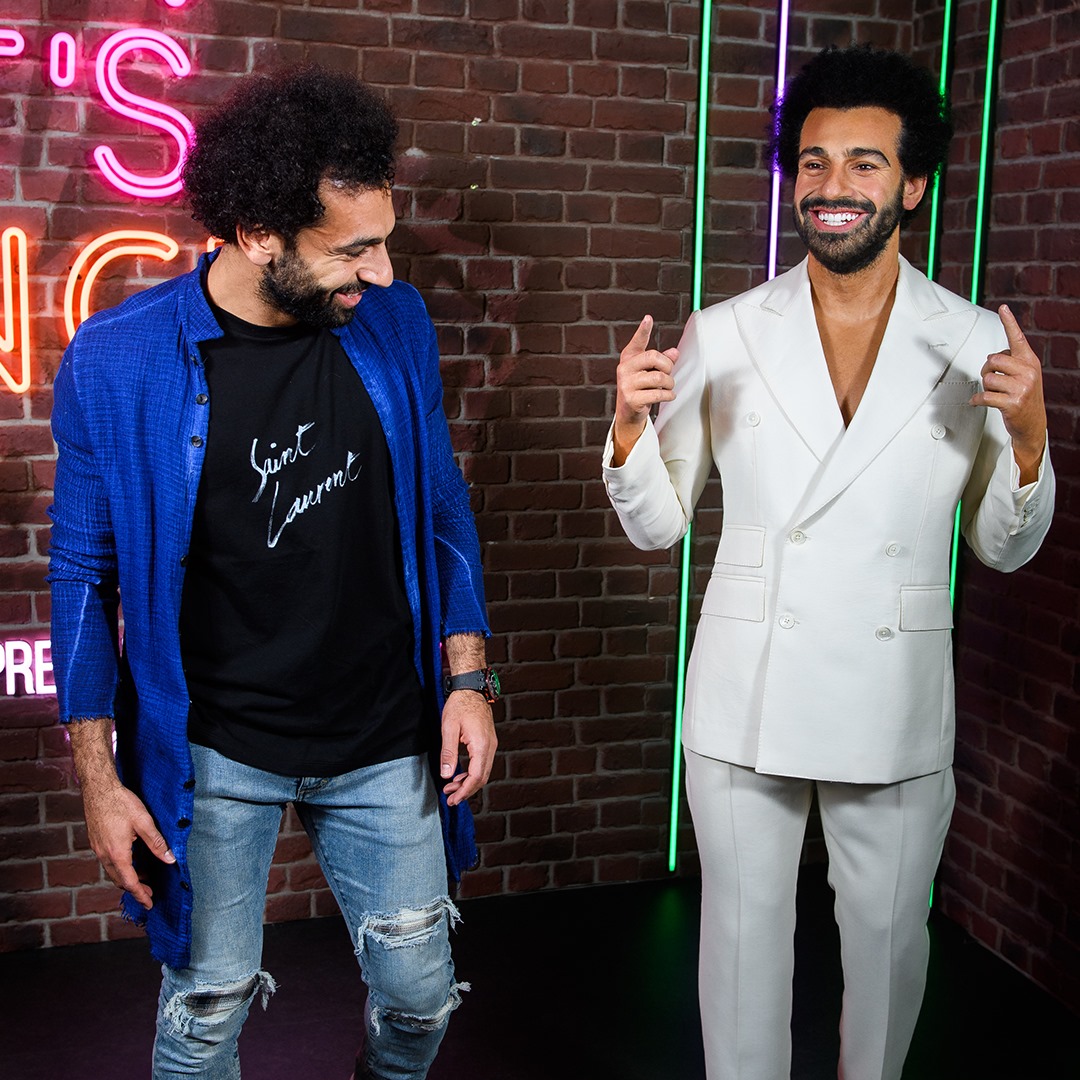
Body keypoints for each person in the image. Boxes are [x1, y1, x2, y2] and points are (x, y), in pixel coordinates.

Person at [603, 45, 1054, 1080]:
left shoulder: (974, 341)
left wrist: (1030, 438)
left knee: (889, 948)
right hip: (747, 687)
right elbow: (659, 526)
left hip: (895, 693)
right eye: (813, 162)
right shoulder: (724, 332)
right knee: (740, 947)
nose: (832, 185)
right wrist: (628, 428)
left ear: (912, 184)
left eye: (863, 162)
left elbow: (1002, 544)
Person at [48, 66, 498, 1080]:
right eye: (352, 250)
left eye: (384, 240)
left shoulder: (395, 324)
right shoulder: (118, 357)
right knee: (205, 1013)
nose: (382, 272)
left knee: (421, 999)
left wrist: (468, 679)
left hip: (382, 732)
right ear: (257, 232)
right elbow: (80, 573)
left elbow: (442, 509)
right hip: (214, 748)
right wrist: (100, 780)